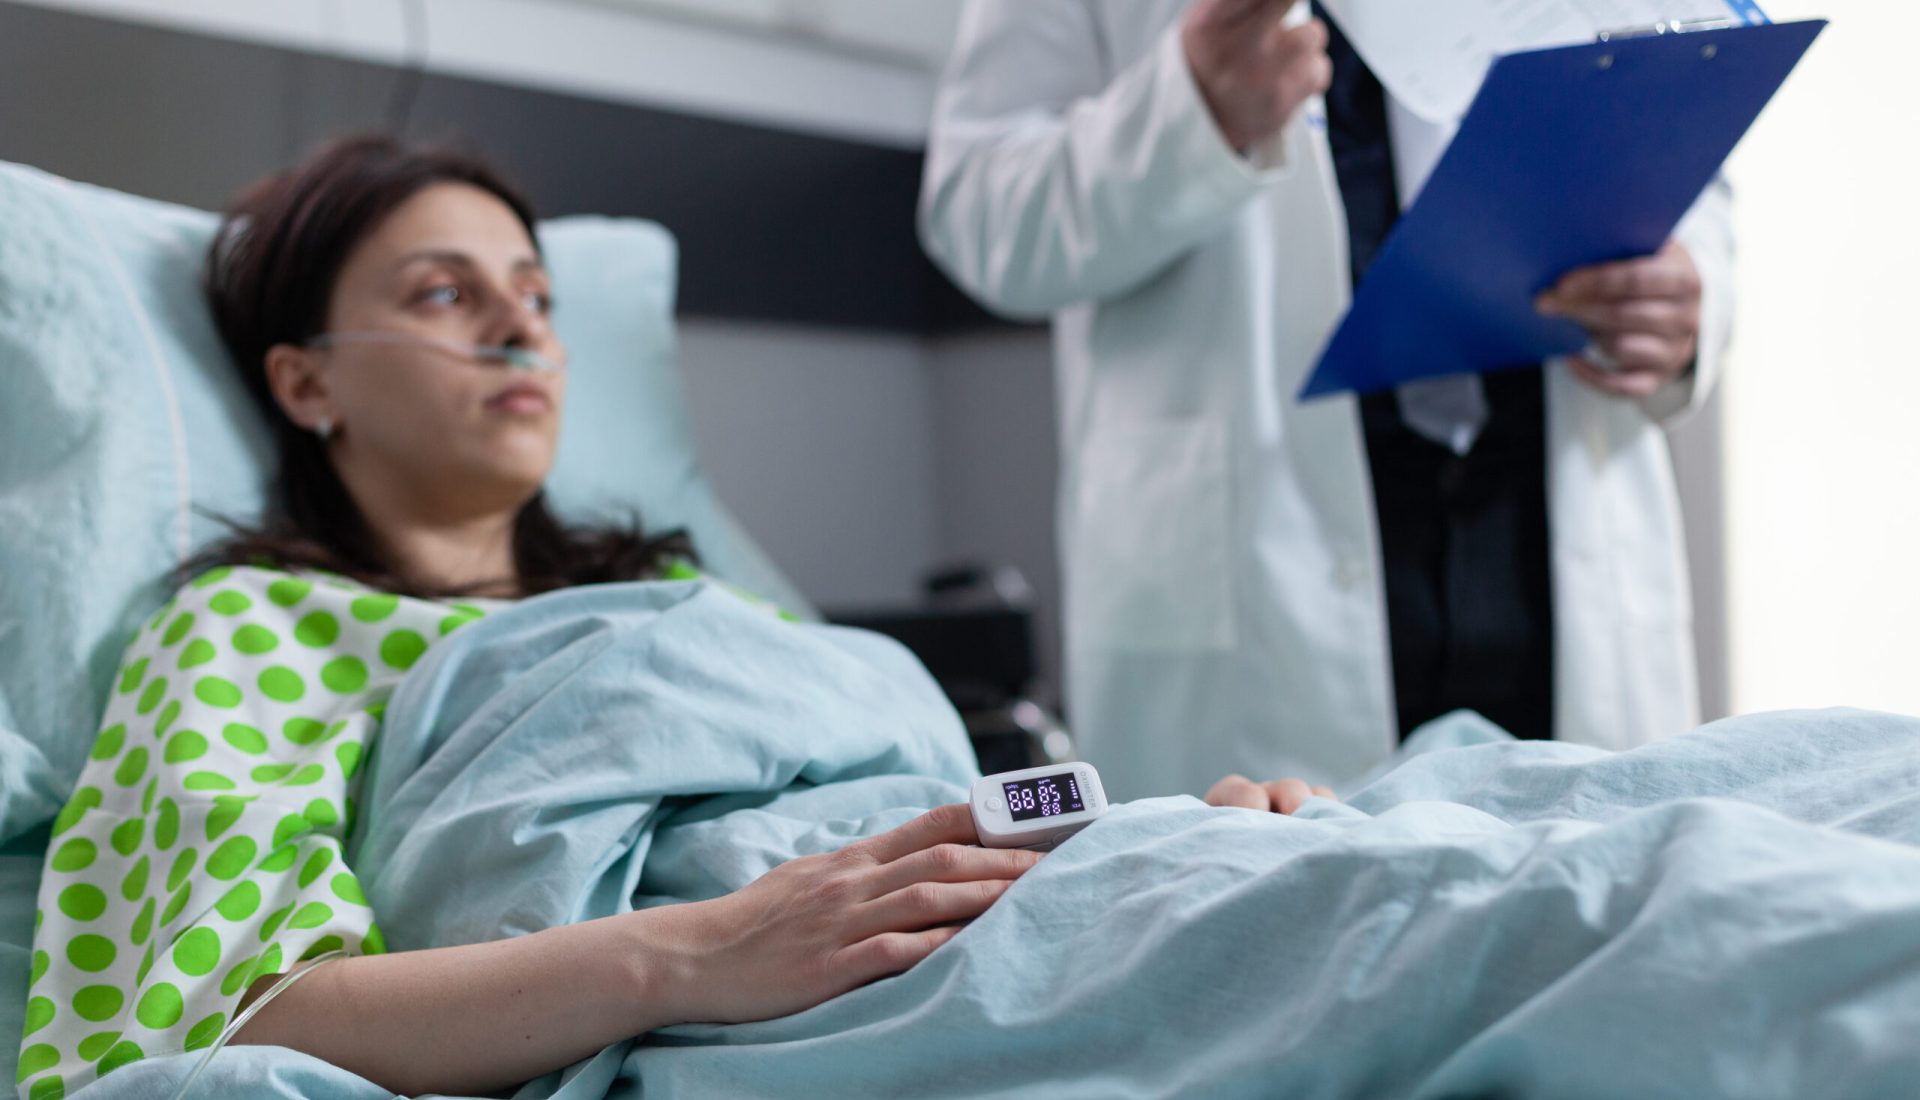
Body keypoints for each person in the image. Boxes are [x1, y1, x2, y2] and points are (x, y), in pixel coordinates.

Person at [21, 137, 1322, 1098]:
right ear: (306, 383)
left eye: (535, 297)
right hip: (790, 1002)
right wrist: (700, 954)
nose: (518, 332)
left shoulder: (699, 607)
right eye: (442, 295)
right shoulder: (254, 629)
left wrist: (1151, 830)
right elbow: (228, 1017)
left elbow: (915, 826)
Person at [918, 0, 1732, 800]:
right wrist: (1187, 112)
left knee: (1598, 893)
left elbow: (1696, 165)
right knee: (1273, 921)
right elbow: (976, 213)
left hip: (1549, 532)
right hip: (1258, 582)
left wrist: (1689, 298)